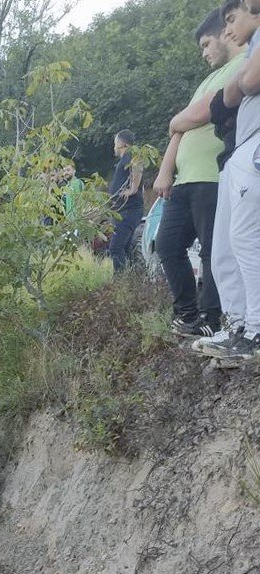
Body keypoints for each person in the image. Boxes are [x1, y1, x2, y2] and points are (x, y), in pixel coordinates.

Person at [153, 8, 246, 339]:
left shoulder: (245, 60)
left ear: (224, 32)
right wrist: (165, 171)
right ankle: (186, 315)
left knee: (212, 250)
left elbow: (201, 112)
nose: (205, 54)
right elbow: (181, 126)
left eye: (207, 44)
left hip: (213, 175)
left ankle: (211, 317)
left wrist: (182, 118)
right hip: (184, 179)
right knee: (166, 244)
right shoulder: (209, 77)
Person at [200, 0, 260, 361]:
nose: (227, 30)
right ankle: (239, 324)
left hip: (254, 146)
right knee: (225, 247)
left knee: (245, 239)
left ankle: (255, 329)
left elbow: (248, 83)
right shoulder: (252, 47)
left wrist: (238, 85)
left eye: (231, 19)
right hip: (243, 150)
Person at [107, 130, 144, 272]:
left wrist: (133, 189)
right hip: (124, 210)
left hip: (129, 209)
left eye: (115, 144)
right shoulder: (124, 159)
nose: (114, 147)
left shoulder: (131, 154)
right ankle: (129, 282)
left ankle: (120, 281)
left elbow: (137, 165)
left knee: (115, 248)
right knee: (125, 248)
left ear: (121, 143)